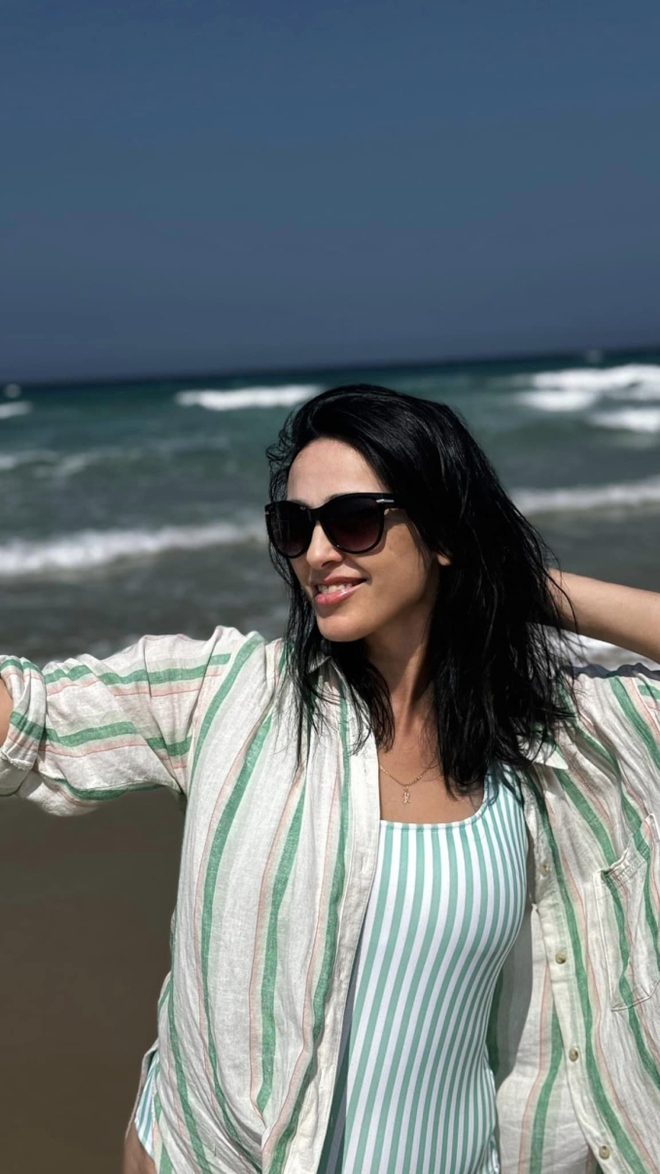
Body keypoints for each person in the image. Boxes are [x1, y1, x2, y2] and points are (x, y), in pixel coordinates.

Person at [1, 384, 660, 1174]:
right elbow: (29, 718)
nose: (316, 553)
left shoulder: (559, 733)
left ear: (443, 531)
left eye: (353, 521)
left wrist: (514, 581)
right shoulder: (232, 694)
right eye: (294, 526)